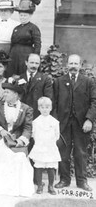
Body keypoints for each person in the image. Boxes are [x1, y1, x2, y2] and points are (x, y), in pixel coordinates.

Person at [0, 76, 34, 197]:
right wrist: (0, 130)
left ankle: (14, 188)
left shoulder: (26, 109)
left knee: (19, 157)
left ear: (16, 94)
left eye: (7, 92)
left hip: (15, 141)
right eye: (4, 91)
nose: (4, 94)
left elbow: (28, 128)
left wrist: (21, 141)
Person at [53, 54, 96, 192]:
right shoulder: (59, 81)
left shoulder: (88, 81)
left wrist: (89, 119)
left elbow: (94, 102)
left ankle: (82, 181)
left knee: (81, 153)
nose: (73, 66)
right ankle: (64, 180)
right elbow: (53, 103)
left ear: (80, 66)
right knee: (63, 152)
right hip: (63, 123)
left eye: (75, 64)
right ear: (67, 65)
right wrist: (55, 123)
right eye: (71, 63)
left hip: (81, 124)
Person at [29, 97, 61, 195]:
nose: (45, 109)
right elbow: (33, 134)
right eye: (42, 107)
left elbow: (57, 135)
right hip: (39, 147)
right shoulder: (35, 122)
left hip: (50, 147)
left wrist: (49, 142)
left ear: (51, 108)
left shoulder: (55, 122)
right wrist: (40, 143)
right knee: (38, 166)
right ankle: (39, 185)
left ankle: (50, 186)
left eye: (47, 107)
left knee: (51, 167)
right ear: (38, 108)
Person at [8, 0, 42, 76]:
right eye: (21, 15)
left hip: (26, 55)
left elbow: (38, 45)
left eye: (25, 15)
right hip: (14, 56)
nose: (22, 17)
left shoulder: (33, 28)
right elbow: (12, 43)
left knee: (24, 76)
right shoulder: (16, 28)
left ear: (30, 16)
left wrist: (34, 58)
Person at [19, 53, 53, 119]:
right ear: (26, 63)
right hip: (21, 116)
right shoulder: (19, 78)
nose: (34, 65)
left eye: (37, 63)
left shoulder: (45, 79)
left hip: (38, 116)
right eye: (31, 63)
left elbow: (48, 99)